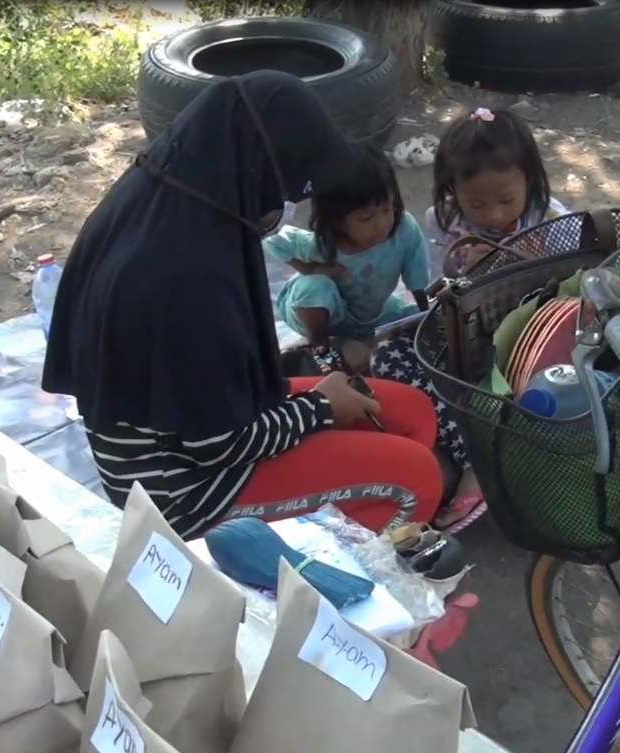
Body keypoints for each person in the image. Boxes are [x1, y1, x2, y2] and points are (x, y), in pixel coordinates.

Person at [41, 70, 443, 541]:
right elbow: (218, 444)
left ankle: (343, 517)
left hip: (208, 423)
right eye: (289, 190)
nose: (290, 205)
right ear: (257, 170)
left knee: (413, 412)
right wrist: (318, 409)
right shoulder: (187, 276)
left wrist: (320, 402)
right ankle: (334, 588)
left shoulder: (176, 195)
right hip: (184, 490)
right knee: (416, 477)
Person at [373, 105, 568, 534]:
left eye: (506, 200)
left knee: (497, 384)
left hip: (527, 342)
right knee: (389, 354)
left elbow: (575, 282)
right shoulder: (442, 222)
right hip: (465, 335)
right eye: (476, 203)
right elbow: (438, 288)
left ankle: (477, 470)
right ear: (453, 191)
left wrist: (524, 261)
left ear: (530, 182)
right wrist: (464, 270)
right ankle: (462, 453)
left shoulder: (551, 217)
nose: (495, 215)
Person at [264, 143, 430, 371]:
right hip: (321, 312)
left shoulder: (404, 229)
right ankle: (321, 342)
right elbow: (271, 239)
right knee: (314, 287)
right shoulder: (321, 245)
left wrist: (425, 311)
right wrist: (310, 269)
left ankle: (353, 344)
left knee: (421, 322)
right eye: (367, 218)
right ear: (338, 220)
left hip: (372, 315)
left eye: (387, 209)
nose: (382, 224)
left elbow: (417, 274)